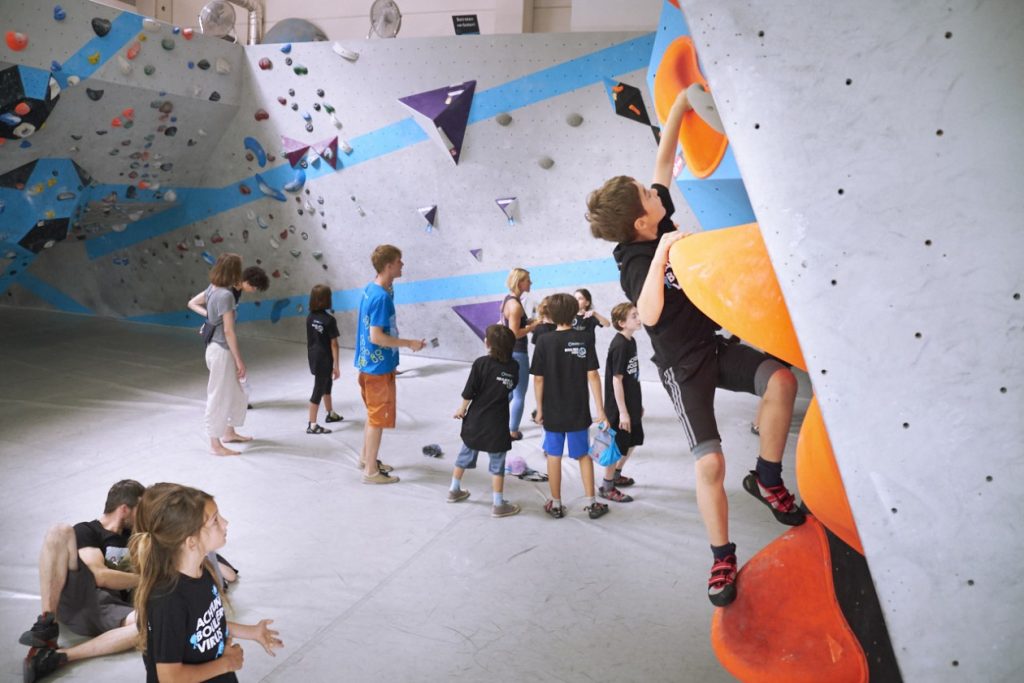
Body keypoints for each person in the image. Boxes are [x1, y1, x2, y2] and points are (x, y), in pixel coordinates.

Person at [586, 88, 804, 607]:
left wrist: (681, 104)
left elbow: (662, 158)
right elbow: (651, 313)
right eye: (649, 194)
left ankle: (768, 478)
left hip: (714, 346)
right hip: (683, 370)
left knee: (782, 380)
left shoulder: (653, 215)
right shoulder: (636, 260)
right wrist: (663, 251)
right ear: (642, 223)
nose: (657, 191)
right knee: (709, 465)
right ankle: (722, 557)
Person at [130, 483, 282, 682]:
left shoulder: (203, 570)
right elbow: (170, 678)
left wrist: (251, 632)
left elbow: (207, 623)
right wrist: (227, 663)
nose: (225, 523)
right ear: (190, 541)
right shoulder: (168, 601)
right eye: (215, 521)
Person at [19, 480, 145, 682]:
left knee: (148, 624)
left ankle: (60, 657)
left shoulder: (136, 537)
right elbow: (99, 576)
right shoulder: (89, 531)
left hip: (111, 609)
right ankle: (46, 622)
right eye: (141, 508)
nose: (144, 515)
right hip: (81, 597)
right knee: (60, 531)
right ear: (124, 509)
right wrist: (143, 579)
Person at [530, 293, 608, 520]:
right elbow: (593, 375)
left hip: (552, 409)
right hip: (578, 408)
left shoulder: (544, 341)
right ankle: (592, 503)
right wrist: (600, 410)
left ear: (551, 315)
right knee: (583, 455)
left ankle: (555, 504)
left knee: (553, 455)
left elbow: (538, 379)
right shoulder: (584, 338)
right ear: (574, 312)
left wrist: (540, 408)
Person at [354, 245, 426, 484]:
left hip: (368, 365)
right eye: (398, 261)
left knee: (372, 415)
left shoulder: (373, 288)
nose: (402, 265)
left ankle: (367, 459)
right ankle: (371, 473)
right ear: (388, 266)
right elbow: (376, 337)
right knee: (377, 419)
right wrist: (409, 343)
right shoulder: (381, 298)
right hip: (378, 369)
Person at [449, 325, 522, 518]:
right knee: (497, 464)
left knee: (464, 455)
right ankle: (498, 504)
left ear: (487, 343)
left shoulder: (480, 363)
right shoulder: (514, 366)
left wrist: (461, 409)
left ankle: (454, 490)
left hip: (475, 420)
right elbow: (512, 387)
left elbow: (469, 391)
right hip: (497, 424)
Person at [187, 253, 251, 456]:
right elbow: (229, 331)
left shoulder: (212, 289)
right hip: (221, 351)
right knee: (217, 397)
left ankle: (229, 433)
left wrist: (210, 317)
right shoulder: (225, 295)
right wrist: (239, 359)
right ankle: (215, 444)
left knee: (236, 393)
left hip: (216, 349)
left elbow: (192, 303)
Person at [599, 302, 646, 503]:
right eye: (634, 316)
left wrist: (636, 405)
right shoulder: (619, 346)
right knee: (616, 447)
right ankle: (607, 486)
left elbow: (630, 377)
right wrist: (623, 412)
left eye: (637, 314)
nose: (638, 318)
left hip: (631, 403)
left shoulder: (630, 341)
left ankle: (616, 474)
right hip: (619, 408)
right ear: (621, 323)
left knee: (634, 440)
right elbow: (616, 379)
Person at [501, 268, 540, 441]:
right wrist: (533, 327)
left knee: (509, 392)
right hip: (518, 352)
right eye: (528, 280)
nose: (530, 283)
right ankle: (513, 431)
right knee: (519, 394)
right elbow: (514, 332)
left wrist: (530, 322)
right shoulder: (516, 306)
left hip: (509, 351)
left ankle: (496, 420)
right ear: (519, 283)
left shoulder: (508, 301)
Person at [306, 284, 343, 434]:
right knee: (318, 389)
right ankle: (312, 425)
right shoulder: (329, 320)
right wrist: (337, 365)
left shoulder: (309, 318)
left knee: (327, 385)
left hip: (313, 357)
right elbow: (334, 344)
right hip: (325, 359)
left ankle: (331, 413)